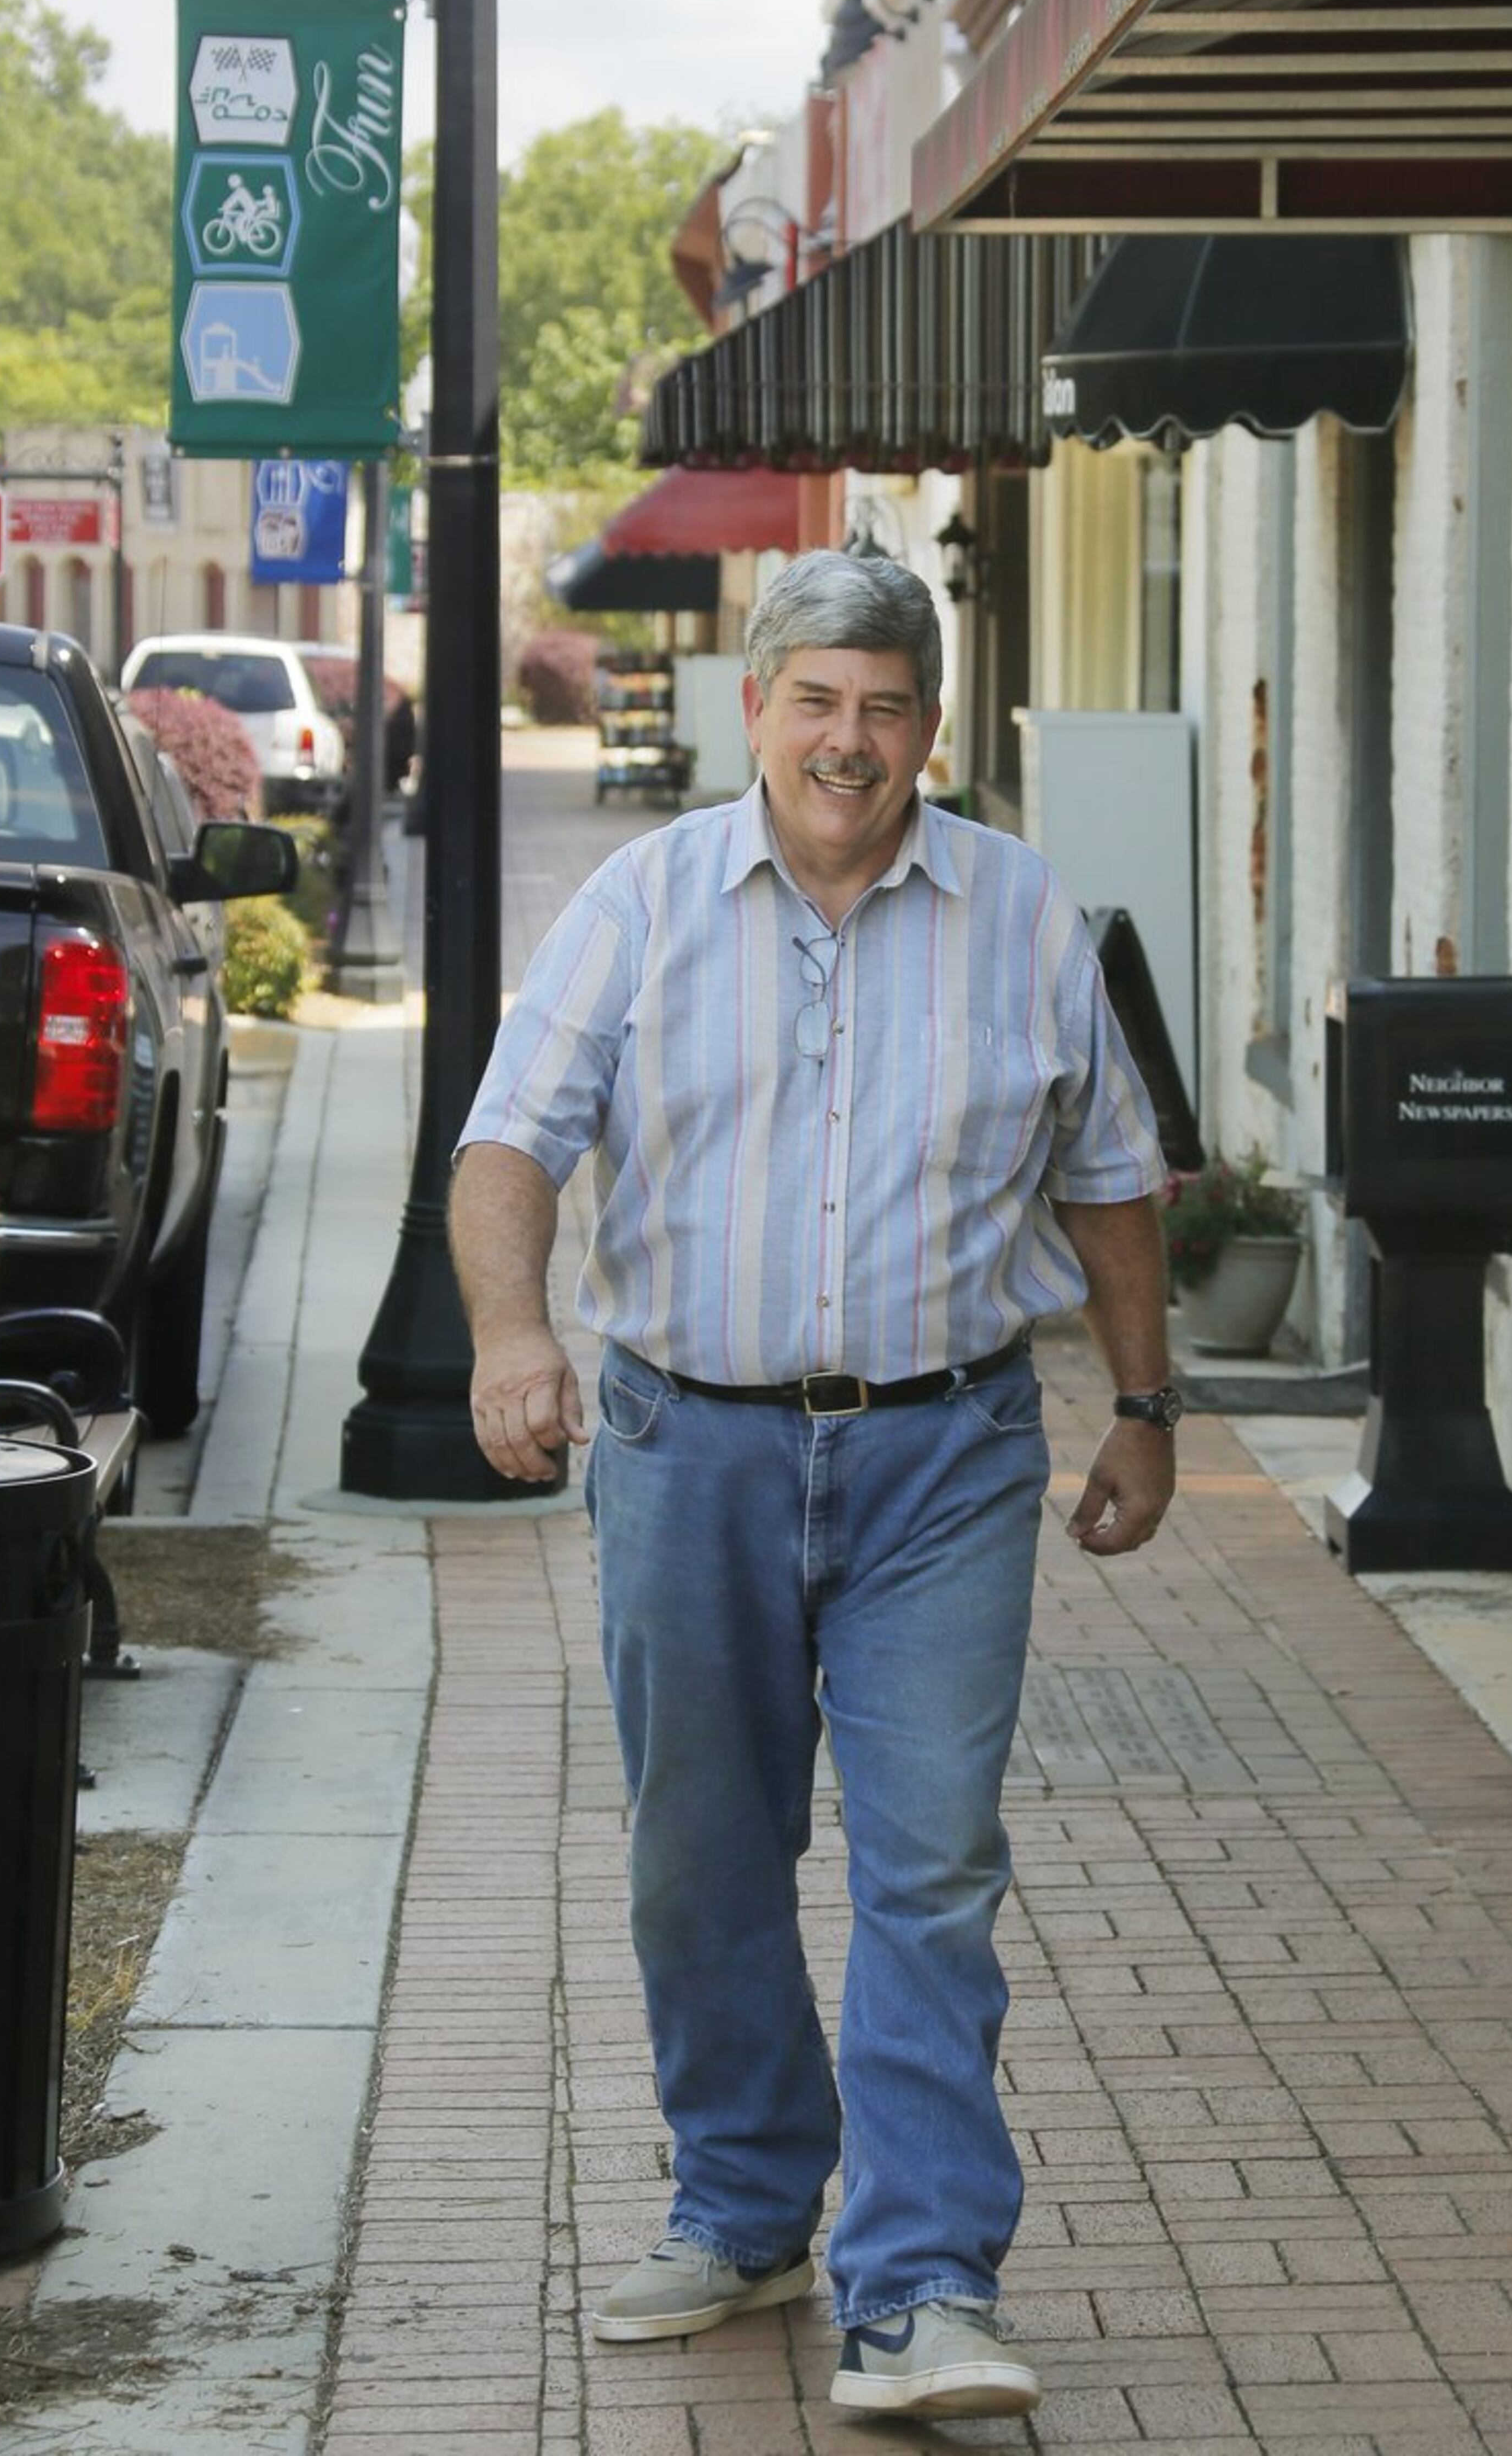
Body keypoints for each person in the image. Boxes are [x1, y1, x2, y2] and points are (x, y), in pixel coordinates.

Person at [450, 549, 1183, 2426]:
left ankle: (926, 2281)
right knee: (705, 1857)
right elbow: (512, 1140)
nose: (850, 741)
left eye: (888, 706)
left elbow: (1108, 1171)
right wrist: (512, 1337)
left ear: (934, 726)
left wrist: (1146, 1402)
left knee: (931, 1864)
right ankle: (747, 2205)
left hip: (947, 1448)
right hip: (687, 1445)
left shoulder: (1023, 913)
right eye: (818, 701)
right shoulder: (640, 902)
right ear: (755, 707)